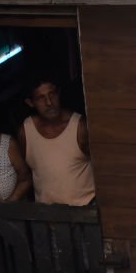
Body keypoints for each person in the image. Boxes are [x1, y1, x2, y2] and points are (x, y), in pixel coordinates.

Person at [18, 78, 96, 206]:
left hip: (85, 211)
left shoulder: (80, 127)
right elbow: (26, 173)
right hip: (48, 215)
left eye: (52, 94)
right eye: (41, 98)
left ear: (58, 94)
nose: (49, 103)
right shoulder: (26, 131)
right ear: (30, 102)